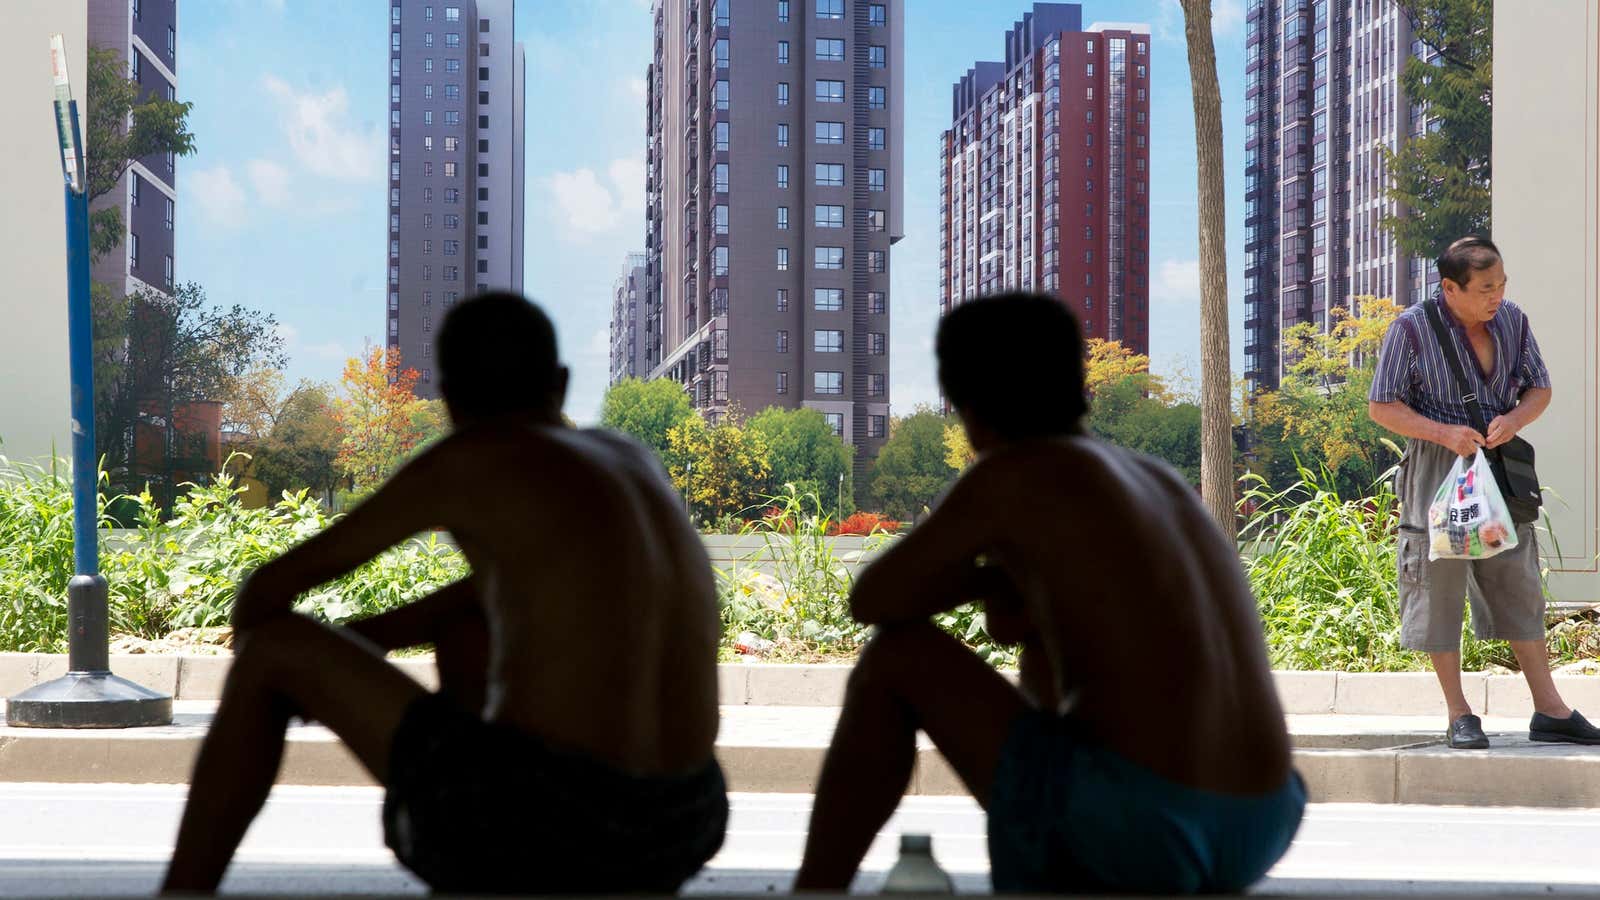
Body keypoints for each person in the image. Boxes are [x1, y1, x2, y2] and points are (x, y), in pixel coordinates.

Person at [161, 293, 728, 895]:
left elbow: (264, 595)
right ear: (559, 385)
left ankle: (183, 893)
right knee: (467, 629)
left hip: (556, 819)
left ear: (451, 397)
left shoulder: (472, 456)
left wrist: (315, 674)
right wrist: (368, 640)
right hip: (684, 817)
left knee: (273, 652)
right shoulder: (631, 457)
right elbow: (509, 590)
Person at [792, 292, 1305, 895]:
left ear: (965, 403)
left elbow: (873, 599)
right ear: (1076, 383)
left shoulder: (1018, 470)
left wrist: (986, 577)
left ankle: (815, 892)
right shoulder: (1156, 478)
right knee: (1041, 659)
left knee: (895, 659)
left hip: (1145, 819)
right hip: (1264, 815)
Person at [1368, 236, 1600, 750]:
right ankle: (1459, 713)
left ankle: (1551, 709)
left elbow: (1540, 387)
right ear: (1450, 287)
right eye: (1484, 288)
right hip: (1438, 468)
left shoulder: (1513, 321)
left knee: (1517, 581)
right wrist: (1444, 433)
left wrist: (1514, 420)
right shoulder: (1410, 329)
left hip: (1497, 465)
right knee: (1439, 585)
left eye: (1501, 284)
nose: (1496, 296)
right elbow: (1382, 406)